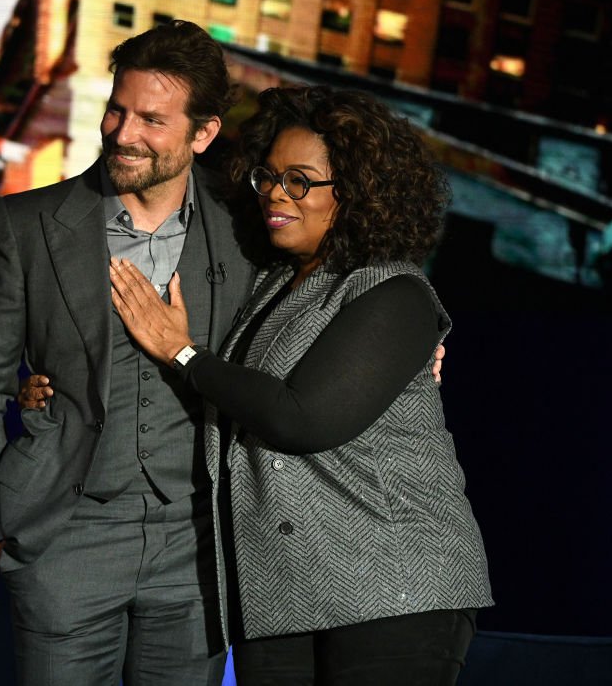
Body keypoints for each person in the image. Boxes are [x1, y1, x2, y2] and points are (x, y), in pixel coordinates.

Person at [101, 86, 493, 684]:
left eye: (301, 181)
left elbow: (302, 419)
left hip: (391, 587)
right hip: (278, 591)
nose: (277, 196)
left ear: (357, 193)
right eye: (269, 177)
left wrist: (180, 350)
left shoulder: (394, 291)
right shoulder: (271, 284)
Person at [0, 20, 256, 685]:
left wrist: (417, 349)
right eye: (118, 108)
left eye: (151, 118)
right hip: (66, 539)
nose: (122, 132)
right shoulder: (25, 225)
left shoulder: (244, 233)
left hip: (195, 546)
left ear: (203, 134)